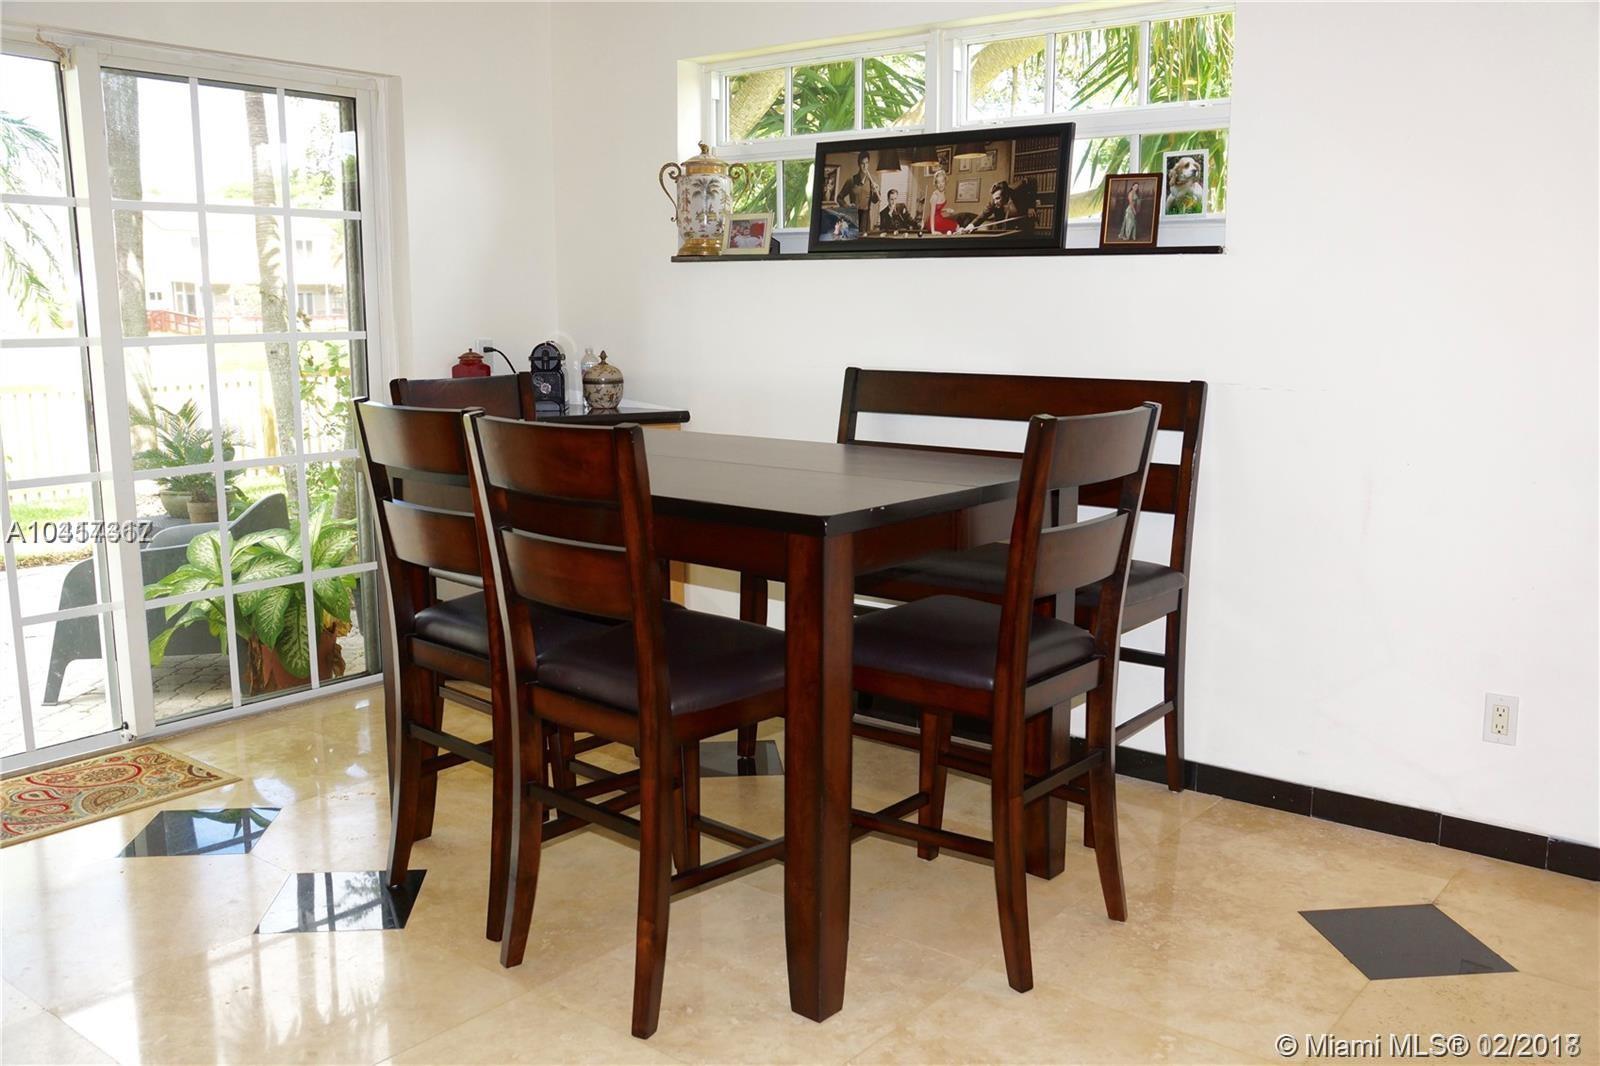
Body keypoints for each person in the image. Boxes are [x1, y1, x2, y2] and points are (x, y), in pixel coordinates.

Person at [961, 178, 1037, 236]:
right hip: (1007, 223)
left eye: (998, 198)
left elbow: (1032, 180)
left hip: (1024, 221)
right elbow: (983, 215)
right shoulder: (994, 202)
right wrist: (970, 226)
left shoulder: (1016, 189)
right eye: (994, 199)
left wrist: (1031, 206)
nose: (995, 202)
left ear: (1005, 195)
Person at [835, 150, 879, 230]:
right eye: (862, 163)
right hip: (854, 216)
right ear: (859, 164)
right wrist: (847, 207)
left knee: (865, 237)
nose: (865, 166)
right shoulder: (851, 180)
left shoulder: (872, 180)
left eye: (867, 163)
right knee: (853, 236)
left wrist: (876, 192)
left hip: (866, 217)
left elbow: (875, 201)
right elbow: (839, 198)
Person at [923, 167, 957, 234]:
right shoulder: (935, 196)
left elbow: (937, 210)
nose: (941, 184)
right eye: (938, 182)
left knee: (956, 225)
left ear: (945, 182)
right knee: (956, 226)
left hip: (939, 219)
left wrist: (946, 210)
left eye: (942, 181)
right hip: (934, 222)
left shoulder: (943, 193)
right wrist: (933, 231)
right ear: (936, 184)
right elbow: (932, 214)